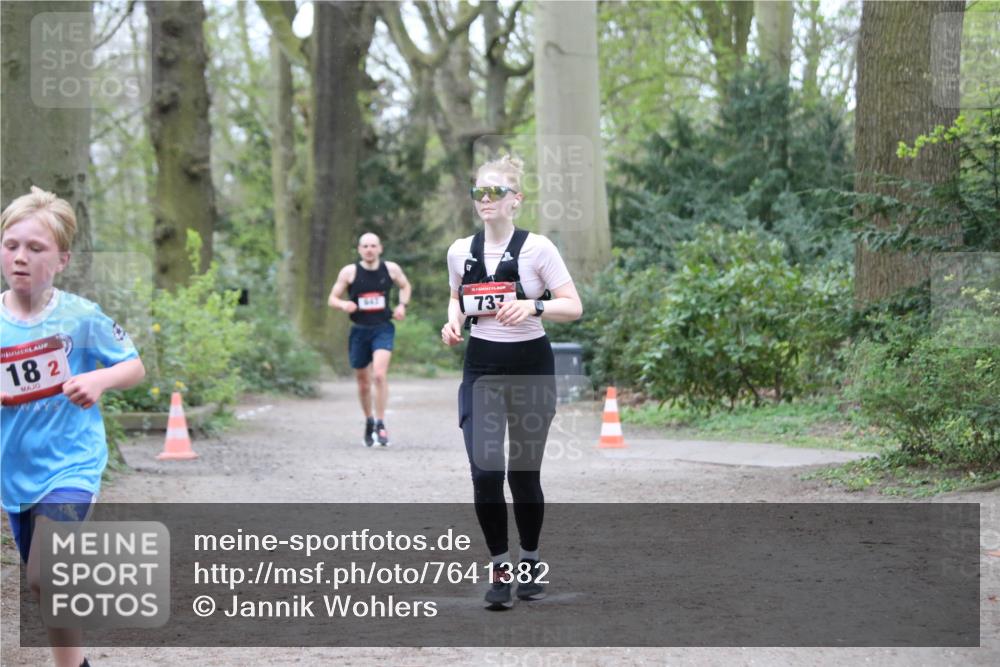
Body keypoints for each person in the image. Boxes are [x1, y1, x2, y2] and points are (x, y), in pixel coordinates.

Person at [1, 186, 146, 667]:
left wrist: (99, 379)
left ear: (61, 260)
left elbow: (133, 366)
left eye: (35, 248)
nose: (20, 257)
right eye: (11, 245)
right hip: (15, 473)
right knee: (45, 578)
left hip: (71, 466)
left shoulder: (81, 317)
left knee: (47, 575)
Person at [441, 155, 583, 609]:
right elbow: (456, 299)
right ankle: (500, 568)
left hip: (530, 366)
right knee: (485, 473)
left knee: (524, 476)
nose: (485, 200)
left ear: (515, 200)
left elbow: (573, 306)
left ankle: (530, 559)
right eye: (479, 192)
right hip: (481, 366)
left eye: (495, 192)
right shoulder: (460, 251)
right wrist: (453, 324)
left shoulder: (538, 249)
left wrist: (533, 307)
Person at [328, 233, 412, 447]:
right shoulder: (349, 272)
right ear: (359, 250)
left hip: (383, 328)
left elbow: (405, 286)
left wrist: (402, 305)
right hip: (359, 331)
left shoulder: (391, 269)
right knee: (363, 383)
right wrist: (343, 305)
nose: (369, 249)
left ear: (380, 248)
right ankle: (369, 420)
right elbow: (332, 298)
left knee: (379, 375)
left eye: (373, 246)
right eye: (365, 246)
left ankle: (381, 423)